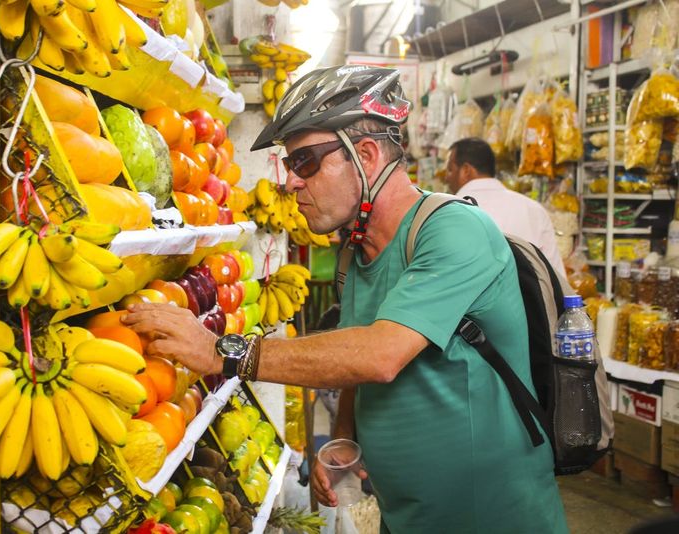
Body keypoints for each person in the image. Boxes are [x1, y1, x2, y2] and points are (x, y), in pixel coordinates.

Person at [122, 66, 568, 533]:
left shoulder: (455, 231)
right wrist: (344, 439)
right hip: (409, 517)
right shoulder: (357, 251)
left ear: (368, 155)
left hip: (493, 518)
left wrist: (222, 352)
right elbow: (357, 349)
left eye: (305, 162)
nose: (291, 183)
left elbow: (380, 354)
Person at [444, 137, 567, 277]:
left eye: (450, 169)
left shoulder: (447, 213)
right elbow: (557, 279)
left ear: (466, 170)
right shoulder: (534, 210)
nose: (446, 178)